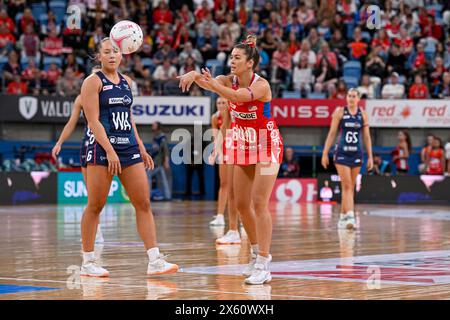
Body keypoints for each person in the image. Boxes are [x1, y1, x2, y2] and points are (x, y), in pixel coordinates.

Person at [178, 35, 283, 285]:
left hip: (267, 144)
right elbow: (210, 84)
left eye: (237, 58)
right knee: (241, 204)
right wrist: (194, 74)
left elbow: (236, 98)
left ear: (250, 63)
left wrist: (211, 84)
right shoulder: (227, 80)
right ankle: (256, 253)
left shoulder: (262, 86)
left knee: (259, 203)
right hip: (244, 144)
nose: (231, 61)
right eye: (231, 57)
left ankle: (265, 263)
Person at [79, 38, 178, 277]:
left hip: (128, 148)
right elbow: (93, 122)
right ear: (99, 57)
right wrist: (110, 151)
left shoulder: (127, 83)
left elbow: (129, 118)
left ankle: (154, 260)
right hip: (101, 148)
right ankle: (88, 262)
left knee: (143, 203)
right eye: (106, 52)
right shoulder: (92, 82)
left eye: (115, 51)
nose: (112, 55)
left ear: (121, 55)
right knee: (96, 205)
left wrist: (141, 147)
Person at [51, 66, 105, 244]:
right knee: (92, 194)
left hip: (108, 144)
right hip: (88, 144)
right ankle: (95, 230)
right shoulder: (82, 98)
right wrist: (59, 142)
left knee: (100, 194)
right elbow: (71, 123)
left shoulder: (113, 94)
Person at [321, 88, 373, 230]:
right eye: (349, 96)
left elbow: (366, 137)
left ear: (358, 99)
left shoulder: (363, 114)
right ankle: (350, 215)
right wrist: (325, 153)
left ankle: (343, 217)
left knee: (350, 187)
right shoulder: (339, 112)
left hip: (357, 153)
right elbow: (332, 133)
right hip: (342, 153)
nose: (351, 98)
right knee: (348, 185)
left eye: (353, 96)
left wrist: (371, 156)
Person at [209, 97, 241, 245]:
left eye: (223, 102)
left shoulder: (234, 114)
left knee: (240, 187)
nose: (221, 105)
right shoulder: (215, 118)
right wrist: (216, 152)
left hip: (238, 149)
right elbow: (217, 137)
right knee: (224, 184)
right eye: (219, 103)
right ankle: (220, 215)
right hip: (225, 151)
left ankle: (242, 220)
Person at [147, 122, 171, 201]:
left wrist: (166, 161)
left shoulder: (162, 137)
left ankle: (148, 195)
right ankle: (167, 196)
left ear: (158, 127)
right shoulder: (155, 137)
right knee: (163, 179)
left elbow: (166, 150)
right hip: (155, 161)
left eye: (154, 125)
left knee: (148, 175)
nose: (152, 126)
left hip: (158, 162)